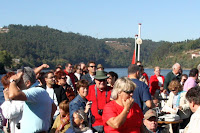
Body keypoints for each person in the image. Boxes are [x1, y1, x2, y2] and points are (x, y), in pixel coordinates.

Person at [8, 67, 57, 132]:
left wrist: (12, 81)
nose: (15, 85)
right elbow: (54, 107)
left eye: (18, 81)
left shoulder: (36, 91)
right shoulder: (39, 92)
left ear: (27, 83)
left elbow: (13, 95)